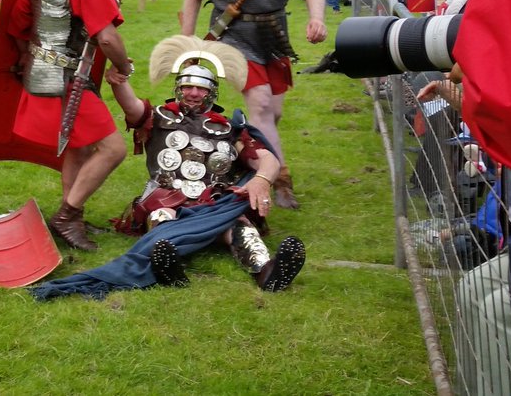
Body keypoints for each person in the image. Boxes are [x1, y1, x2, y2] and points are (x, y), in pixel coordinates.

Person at [30, 36, 306, 300]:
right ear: (178, 87)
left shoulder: (229, 129)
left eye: (201, 88)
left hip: (212, 203)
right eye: (188, 87)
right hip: (166, 199)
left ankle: (267, 271)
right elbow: (132, 106)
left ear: (211, 91)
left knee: (241, 227)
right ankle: (168, 268)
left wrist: (261, 180)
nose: (194, 93)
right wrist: (119, 81)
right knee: (162, 220)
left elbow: (267, 159)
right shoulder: (159, 117)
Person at [179, 0, 326, 209]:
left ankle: (244, 152)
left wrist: (317, 17)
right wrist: (187, 41)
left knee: (272, 113)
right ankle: (279, 179)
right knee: (259, 105)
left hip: (273, 35)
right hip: (233, 36)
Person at [6, 0, 132, 251]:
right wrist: (123, 66)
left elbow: (18, 26)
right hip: (66, 77)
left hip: (41, 70)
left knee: (78, 148)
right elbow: (106, 36)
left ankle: (71, 217)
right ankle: (67, 214)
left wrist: (25, 59)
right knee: (112, 148)